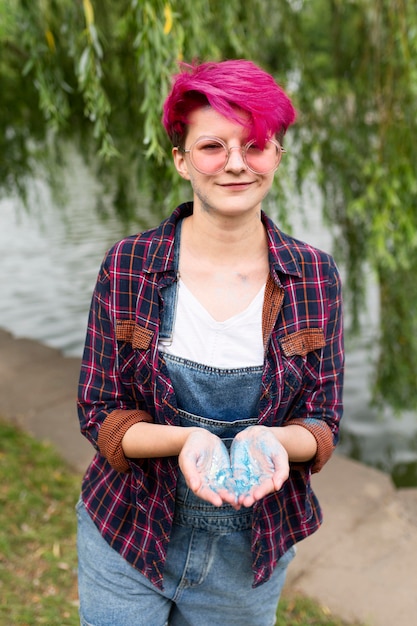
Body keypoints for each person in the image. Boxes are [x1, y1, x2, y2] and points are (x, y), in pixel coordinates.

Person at [76, 59, 344, 626]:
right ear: (181, 160)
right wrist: (187, 442)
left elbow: (322, 420)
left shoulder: (315, 276)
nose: (236, 165)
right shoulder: (129, 266)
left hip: (249, 554)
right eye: (212, 146)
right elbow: (98, 412)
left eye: (255, 145)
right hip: (127, 530)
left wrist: (270, 442)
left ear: (277, 154)